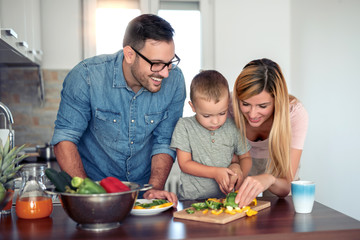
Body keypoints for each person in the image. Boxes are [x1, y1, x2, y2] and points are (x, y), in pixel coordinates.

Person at [50, 14, 186, 205]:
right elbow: (65, 138)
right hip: (93, 191)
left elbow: (164, 141)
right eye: (156, 64)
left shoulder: (175, 81)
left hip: (143, 196)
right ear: (130, 54)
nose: (165, 72)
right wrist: (86, 193)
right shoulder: (86, 76)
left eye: (170, 62)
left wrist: (154, 189)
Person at [231, 58, 308, 207]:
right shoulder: (228, 108)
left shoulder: (295, 114)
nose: (252, 114)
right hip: (241, 165)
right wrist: (233, 168)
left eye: (262, 105)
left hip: (277, 175)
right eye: (245, 104)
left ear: (277, 101)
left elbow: (285, 187)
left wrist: (269, 179)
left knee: (281, 217)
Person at [170, 70, 252, 200]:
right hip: (191, 200)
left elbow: (245, 158)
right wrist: (215, 173)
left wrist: (239, 172)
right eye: (207, 115)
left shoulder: (233, 126)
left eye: (222, 113)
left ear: (228, 103)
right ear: (193, 107)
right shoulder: (184, 126)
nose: (215, 121)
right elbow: (185, 163)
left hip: (226, 201)